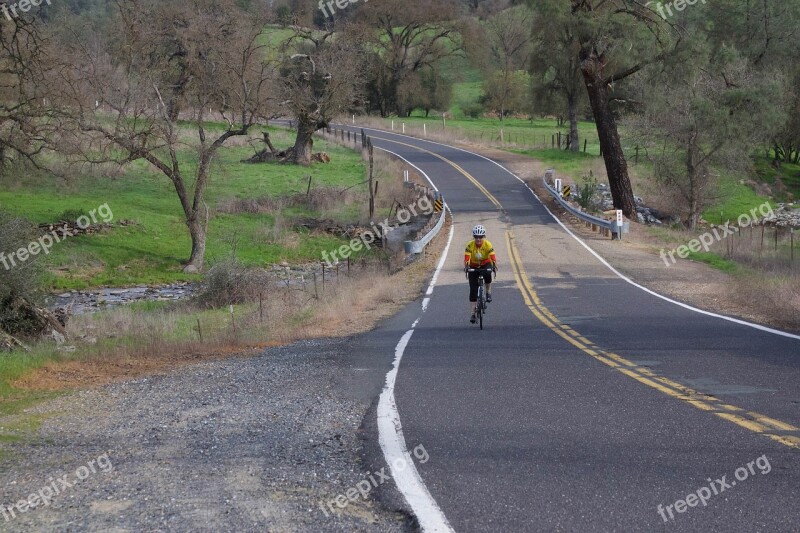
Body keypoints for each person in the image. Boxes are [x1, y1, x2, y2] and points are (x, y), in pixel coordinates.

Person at [464, 225, 497, 324]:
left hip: (485, 263)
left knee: (488, 273)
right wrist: (467, 267)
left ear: (483, 237)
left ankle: (488, 292)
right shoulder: (470, 245)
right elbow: (467, 259)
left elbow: (493, 257)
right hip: (473, 265)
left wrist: (494, 266)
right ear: (474, 237)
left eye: (480, 237)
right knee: (473, 290)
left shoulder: (488, 244)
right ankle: (473, 314)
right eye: (476, 237)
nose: (478, 239)